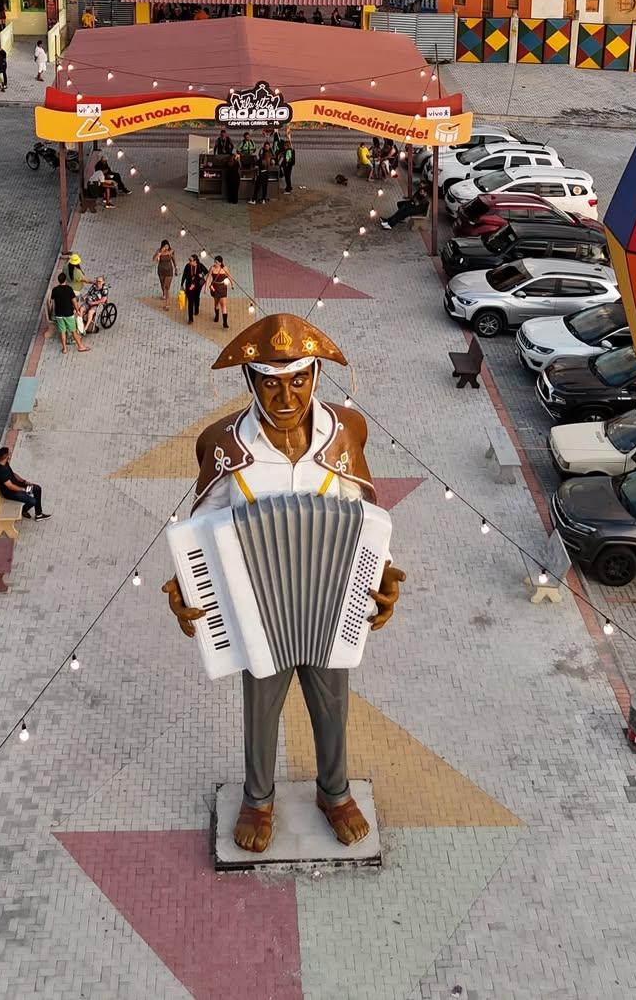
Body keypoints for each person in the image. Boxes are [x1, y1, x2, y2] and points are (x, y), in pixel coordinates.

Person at [161, 314, 405, 853]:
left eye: (299, 380)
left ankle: (334, 791)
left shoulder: (345, 433)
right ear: (250, 380)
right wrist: (186, 585)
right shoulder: (224, 446)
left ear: (316, 375)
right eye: (271, 383)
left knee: (333, 704)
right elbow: (198, 531)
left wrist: (383, 570)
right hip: (255, 609)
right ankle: (258, 798)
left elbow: (366, 516)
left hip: (331, 602)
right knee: (260, 710)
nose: (286, 396)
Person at [0, 445, 50, 519]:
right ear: (6, 456)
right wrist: (23, 490)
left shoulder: (4, 463)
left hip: (18, 485)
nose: (10, 454)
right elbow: (10, 486)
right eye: (9, 453)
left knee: (37, 488)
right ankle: (23, 511)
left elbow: (13, 474)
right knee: (33, 501)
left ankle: (39, 515)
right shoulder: (0, 471)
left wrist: (24, 481)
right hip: (12, 493)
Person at [49, 271, 88, 354]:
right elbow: (74, 301)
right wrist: (77, 310)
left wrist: (54, 312)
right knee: (73, 331)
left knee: (62, 332)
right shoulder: (69, 289)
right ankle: (80, 346)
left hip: (59, 314)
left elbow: (52, 302)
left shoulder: (54, 290)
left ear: (58, 280)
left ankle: (64, 349)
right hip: (68, 314)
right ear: (65, 280)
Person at [180, 253, 208, 324]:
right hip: (189, 285)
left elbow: (206, 271)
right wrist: (182, 284)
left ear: (195, 261)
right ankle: (190, 319)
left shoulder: (200, 266)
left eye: (191, 260)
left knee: (196, 298)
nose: (189, 261)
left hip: (197, 285)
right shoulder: (187, 266)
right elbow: (184, 275)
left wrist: (202, 275)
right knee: (190, 302)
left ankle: (196, 308)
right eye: (189, 260)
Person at [208, 254, 232, 328]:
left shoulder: (225, 268)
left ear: (220, 263)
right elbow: (208, 278)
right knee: (216, 303)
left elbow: (229, 276)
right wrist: (206, 287)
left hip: (223, 288)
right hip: (215, 287)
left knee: (223, 305)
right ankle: (217, 315)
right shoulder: (212, 268)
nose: (215, 263)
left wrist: (232, 284)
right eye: (214, 262)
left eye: (216, 262)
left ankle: (225, 322)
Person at [152, 239, 177, 310]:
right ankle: (164, 294)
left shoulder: (171, 251)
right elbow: (154, 259)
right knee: (162, 285)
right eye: (165, 246)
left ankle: (167, 304)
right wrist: (160, 253)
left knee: (167, 287)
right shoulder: (159, 251)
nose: (166, 248)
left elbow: (174, 260)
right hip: (161, 270)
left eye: (167, 246)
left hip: (169, 271)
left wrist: (176, 267)